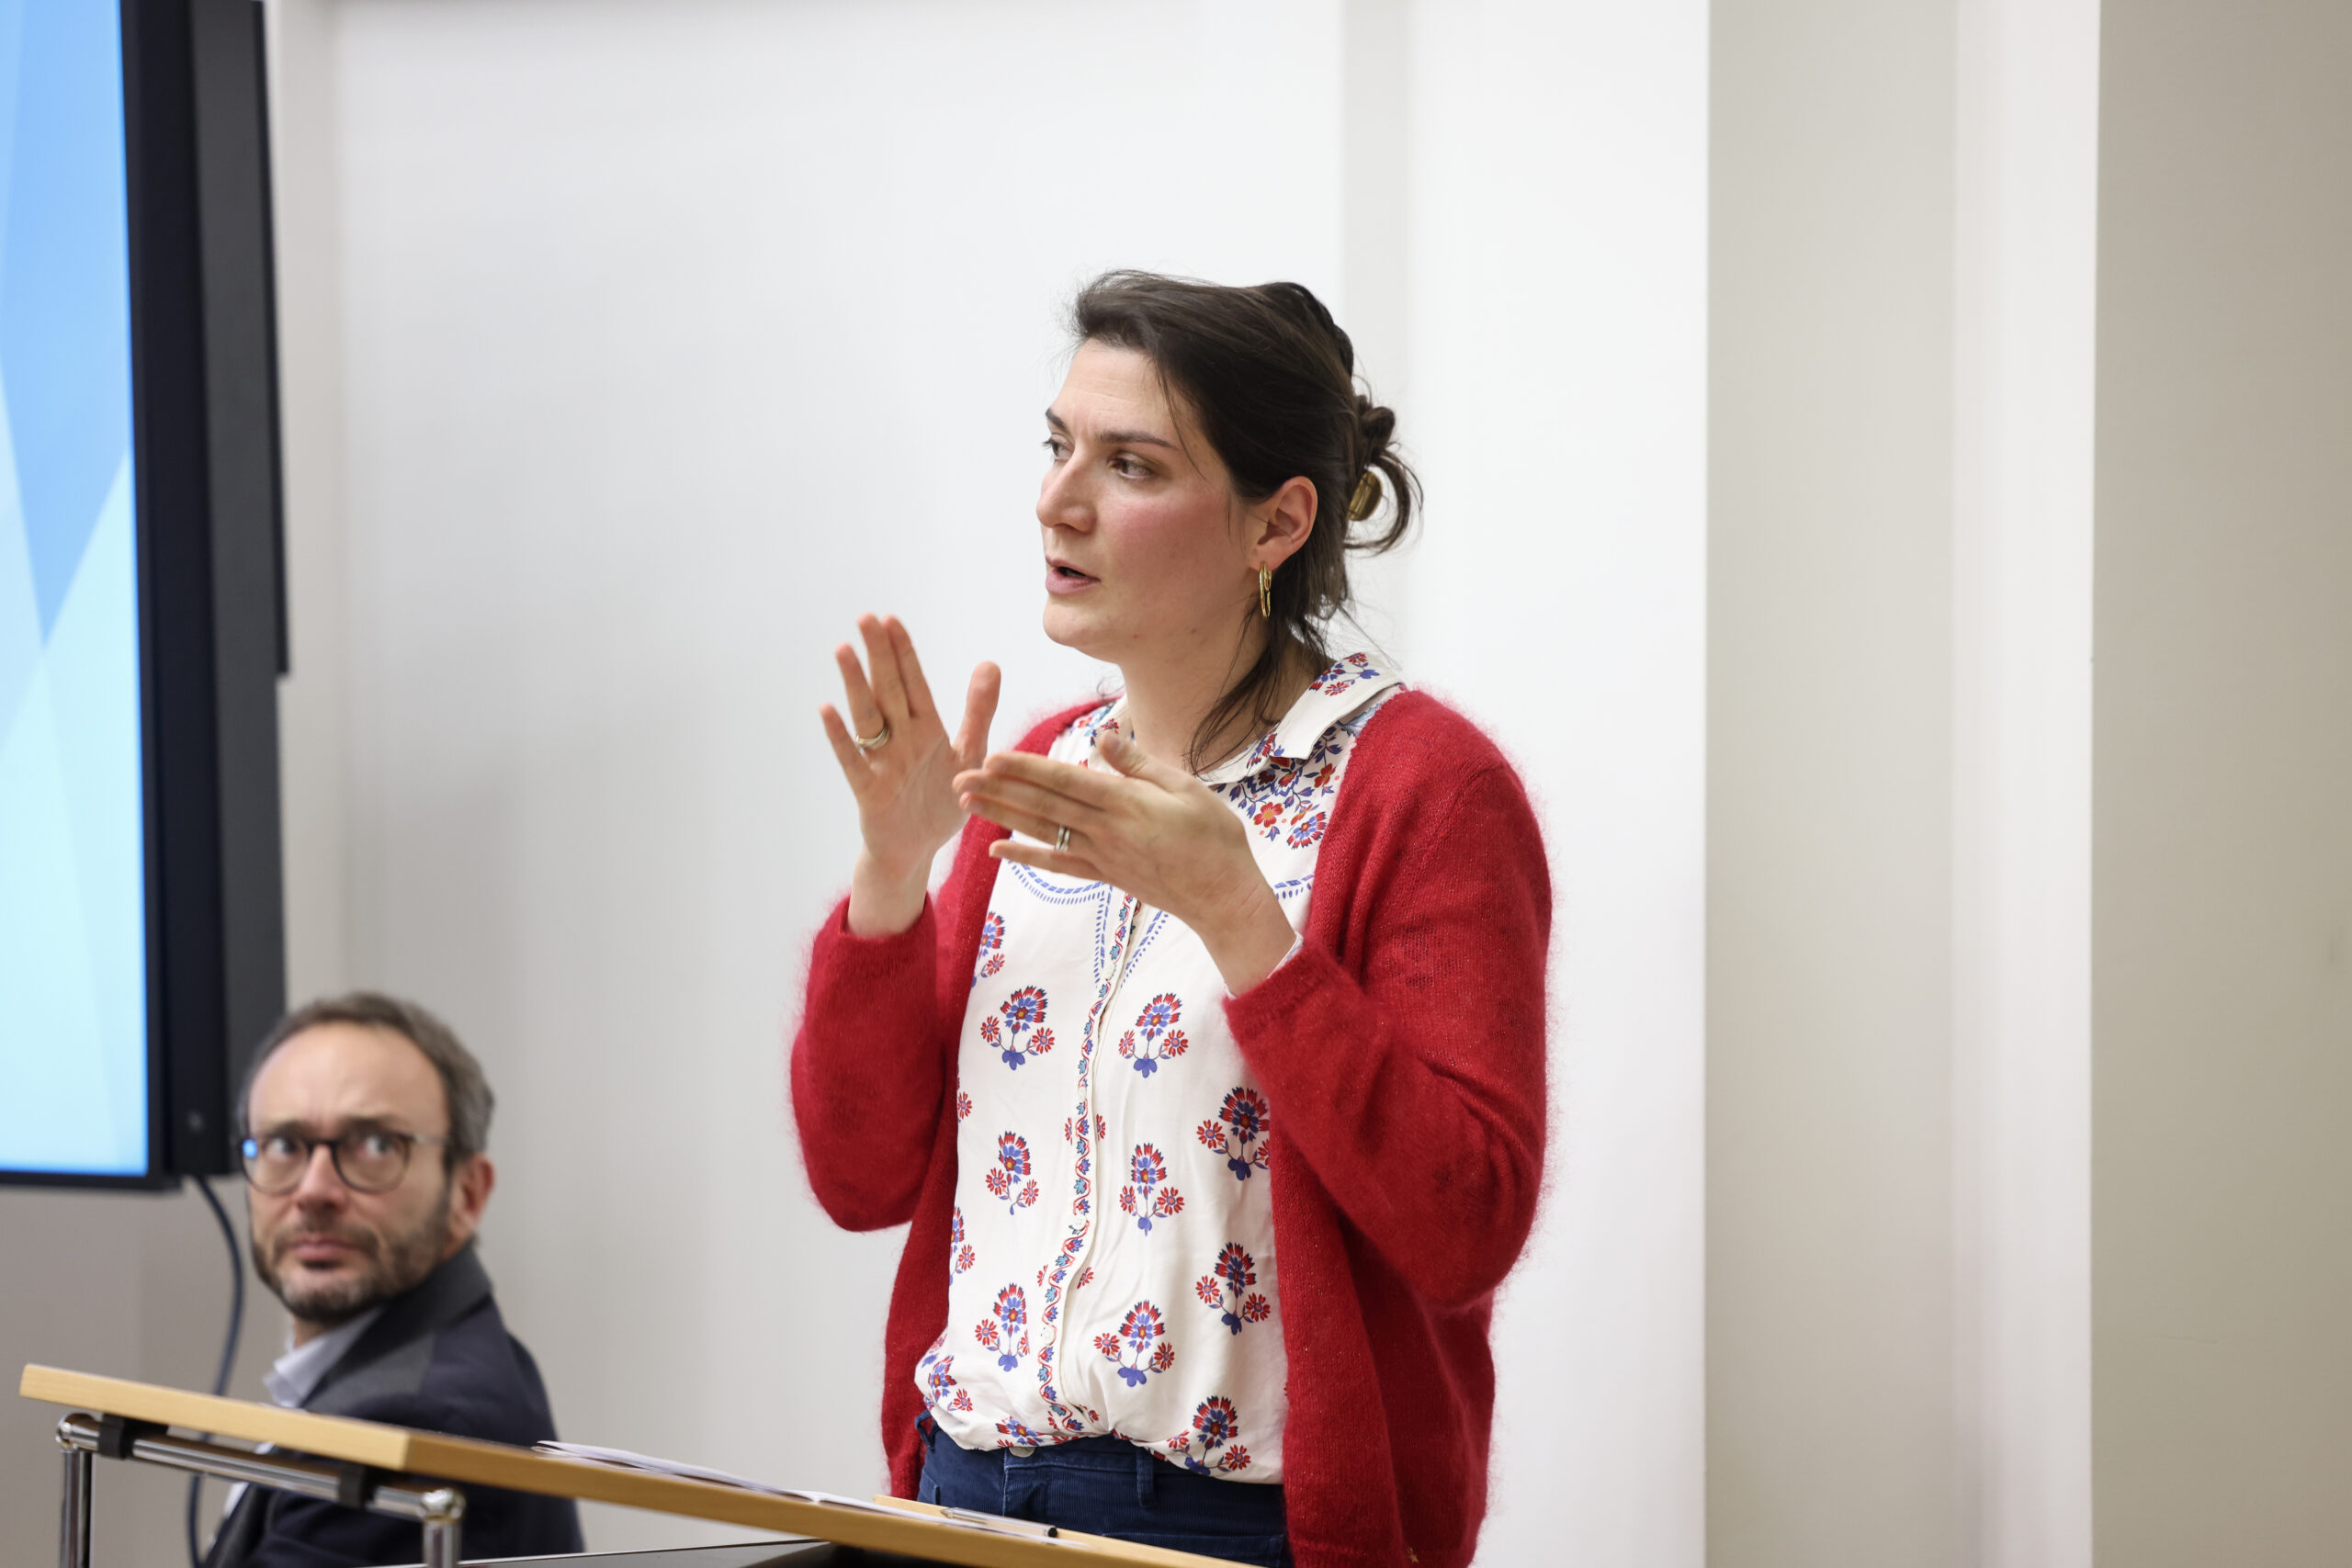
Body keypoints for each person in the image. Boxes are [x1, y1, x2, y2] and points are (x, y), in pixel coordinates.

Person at [791, 273, 1550, 1568]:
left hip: (1235, 1529)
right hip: (959, 1495)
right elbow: (859, 1181)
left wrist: (1242, 922)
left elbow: (1464, 1224)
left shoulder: (1423, 790)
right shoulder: (1039, 766)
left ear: (1277, 522)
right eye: (1057, 446)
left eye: (1130, 464)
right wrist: (892, 872)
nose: (1059, 499)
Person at [205, 992, 584, 1568]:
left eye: (376, 1145)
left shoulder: (415, 1421)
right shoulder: (451, 1358)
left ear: (467, 1194)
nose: (314, 1190)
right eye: (284, 1145)